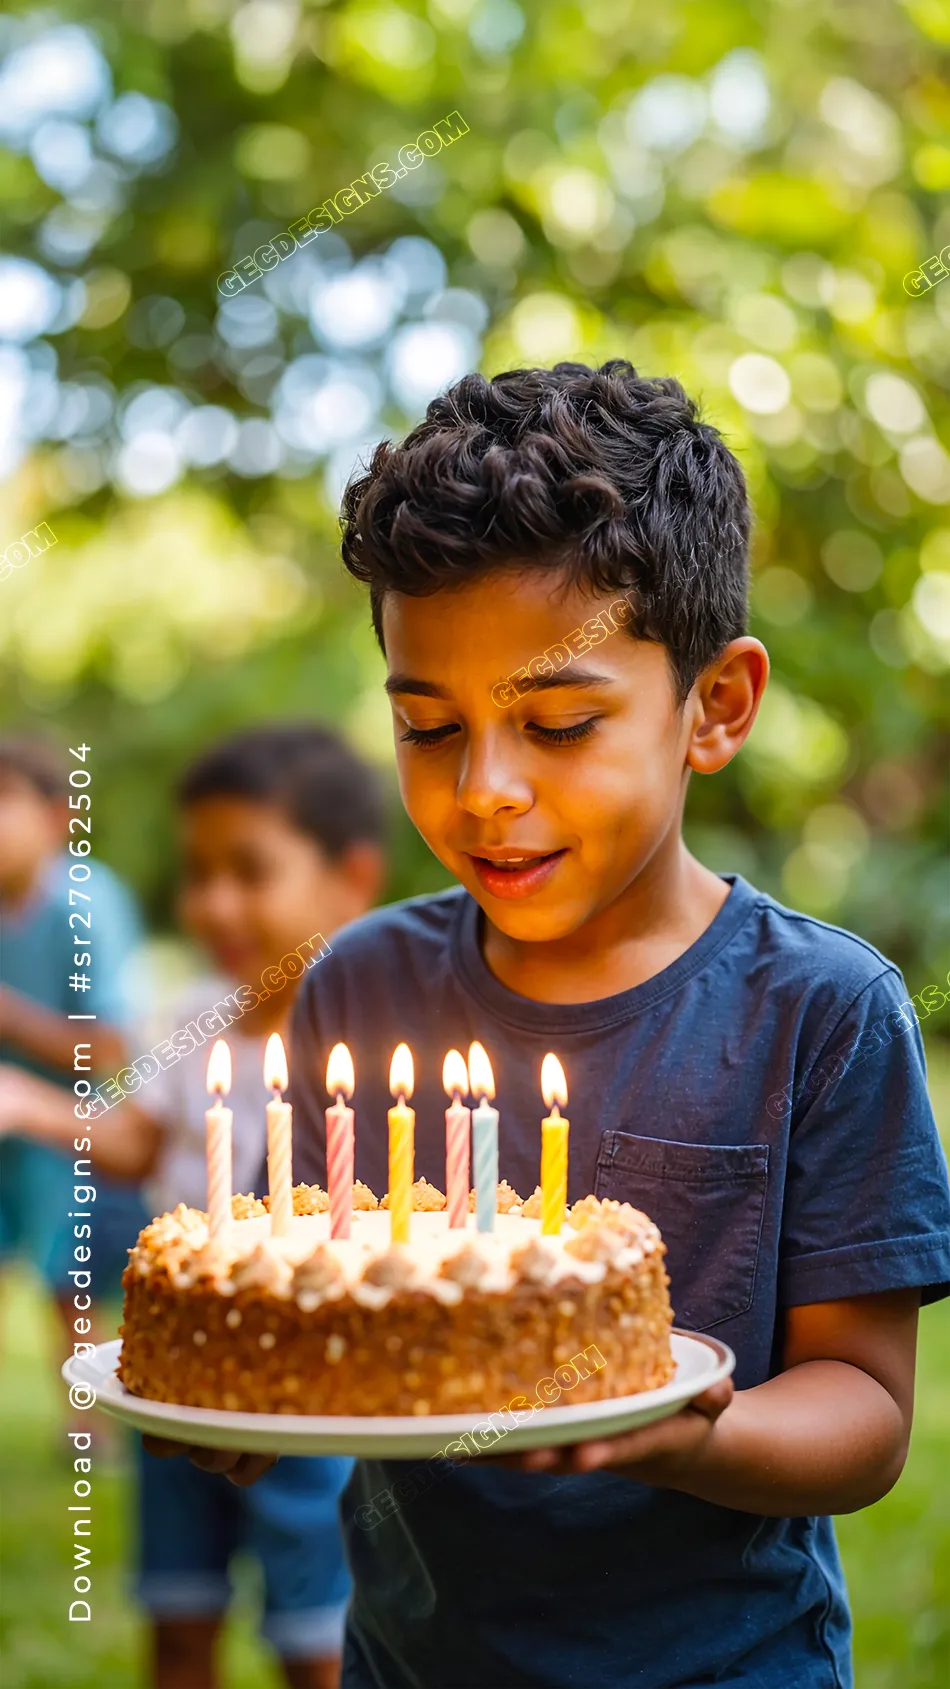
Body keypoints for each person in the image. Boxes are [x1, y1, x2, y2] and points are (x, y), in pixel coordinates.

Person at [89, 361, 950, 1688]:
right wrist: (236, 1412)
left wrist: (683, 1435)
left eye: (555, 723)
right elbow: (296, 1307)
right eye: (429, 728)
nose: (485, 790)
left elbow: (869, 1413)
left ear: (713, 705)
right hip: (412, 1661)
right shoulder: (360, 982)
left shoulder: (820, 1015)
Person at [0, 723, 387, 1689]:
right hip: (175, 1378)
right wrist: (31, 1106)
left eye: (250, 870)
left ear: (351, 878)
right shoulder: (193, 1015)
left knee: (318, 1640)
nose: (214, 900)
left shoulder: (373, 1036)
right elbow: (139, 1141)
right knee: (177, 1621)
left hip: (312, 1396)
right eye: (199, 870)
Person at [0, 734, 147, 1407]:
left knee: (70, 1275)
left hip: (73, 1124)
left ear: (58, 815)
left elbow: (110, 1043)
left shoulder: (85, 903)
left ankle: (89, 1418)